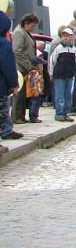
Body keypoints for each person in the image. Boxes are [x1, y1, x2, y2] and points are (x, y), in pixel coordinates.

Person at [12, 13, 40, 124]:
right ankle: (17, 117)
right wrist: (29, 66)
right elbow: (18, 52)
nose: (33, 28)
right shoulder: (19, 33)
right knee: (19, 94)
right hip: (21, 67)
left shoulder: (25, 32)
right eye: (32, 25)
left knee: (24, 94)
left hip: (26, 66)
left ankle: (21, 116)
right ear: (26, 22)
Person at [1, 11, 22, 146]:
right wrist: (14, 84)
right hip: (1, 85)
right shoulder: (4, 44)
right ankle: (6, 131)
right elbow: (8, 66)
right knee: (3, 109)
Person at [49, 28, 76, 121]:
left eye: (68, 36)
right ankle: (59, 113)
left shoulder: (73, 49)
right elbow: (52, 61)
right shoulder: (59, 48)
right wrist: (51, 73)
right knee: (60, 95)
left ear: (72, 37)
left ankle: (65, 113)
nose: (66, 38)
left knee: (68, 95)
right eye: (64, 35)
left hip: (69, 75)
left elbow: (75, 60)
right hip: (59, 75)